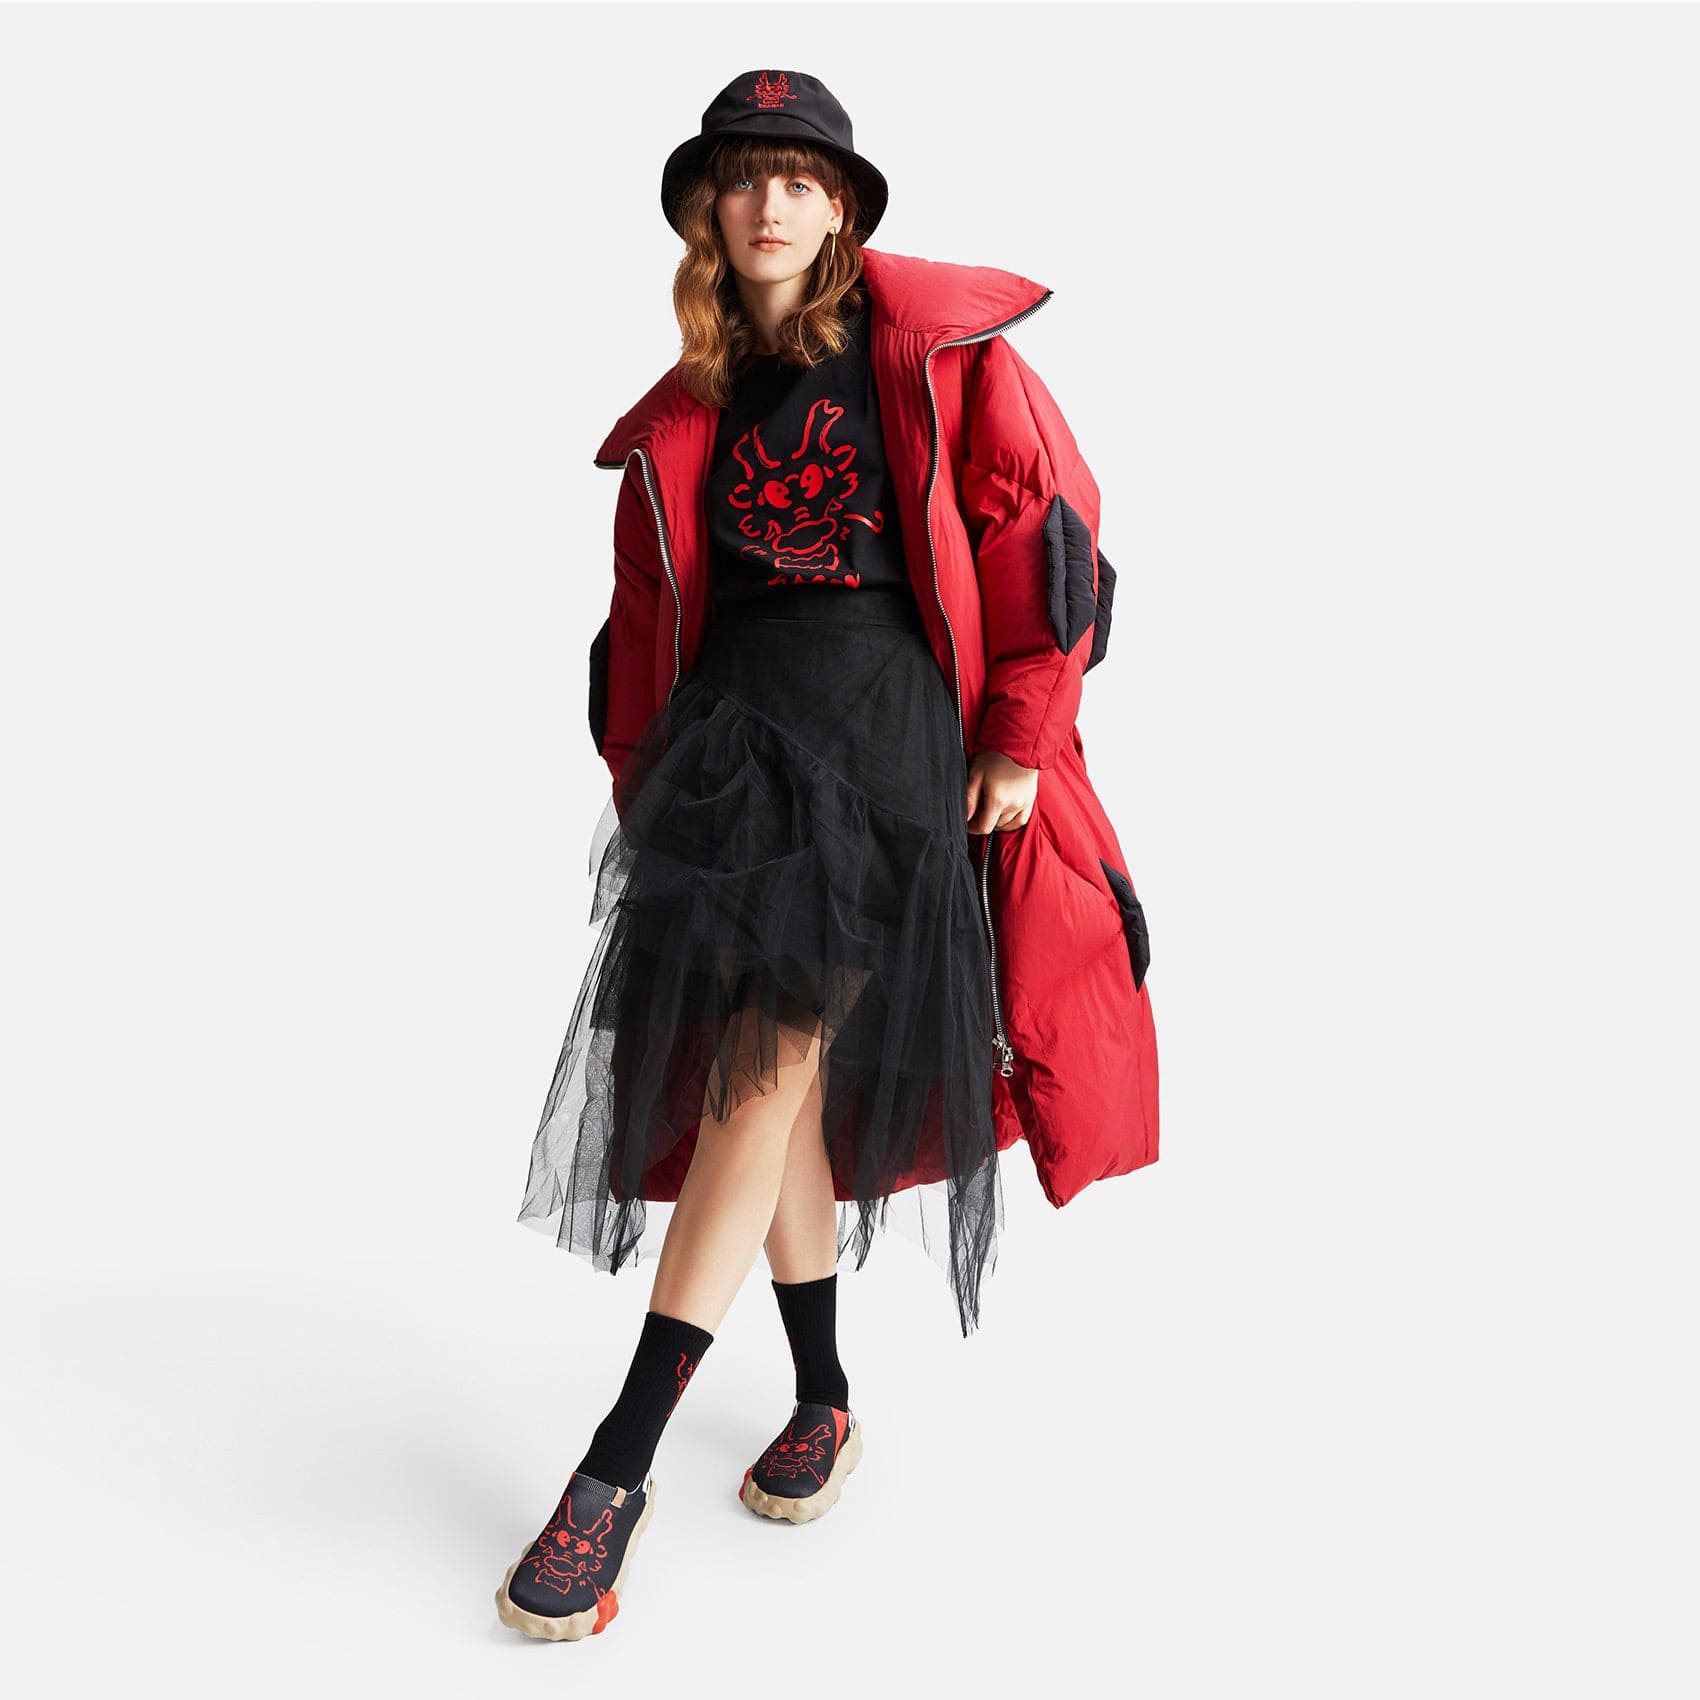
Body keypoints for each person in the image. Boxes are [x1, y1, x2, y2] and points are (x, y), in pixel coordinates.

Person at [497, 68, 1159, 1642]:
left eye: (801, 177)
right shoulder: (690, 403)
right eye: (743, 178)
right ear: (706, 215)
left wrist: (1019, 732)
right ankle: (824, 1398)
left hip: (879, 734)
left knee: (762, 1067)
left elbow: (1051, 528)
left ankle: (615, 1463)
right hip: (730, 756)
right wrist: (646, 787)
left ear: (843, 206)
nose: (772, 202)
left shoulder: (935, 351)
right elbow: (646, 617)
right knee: (770, 1081)